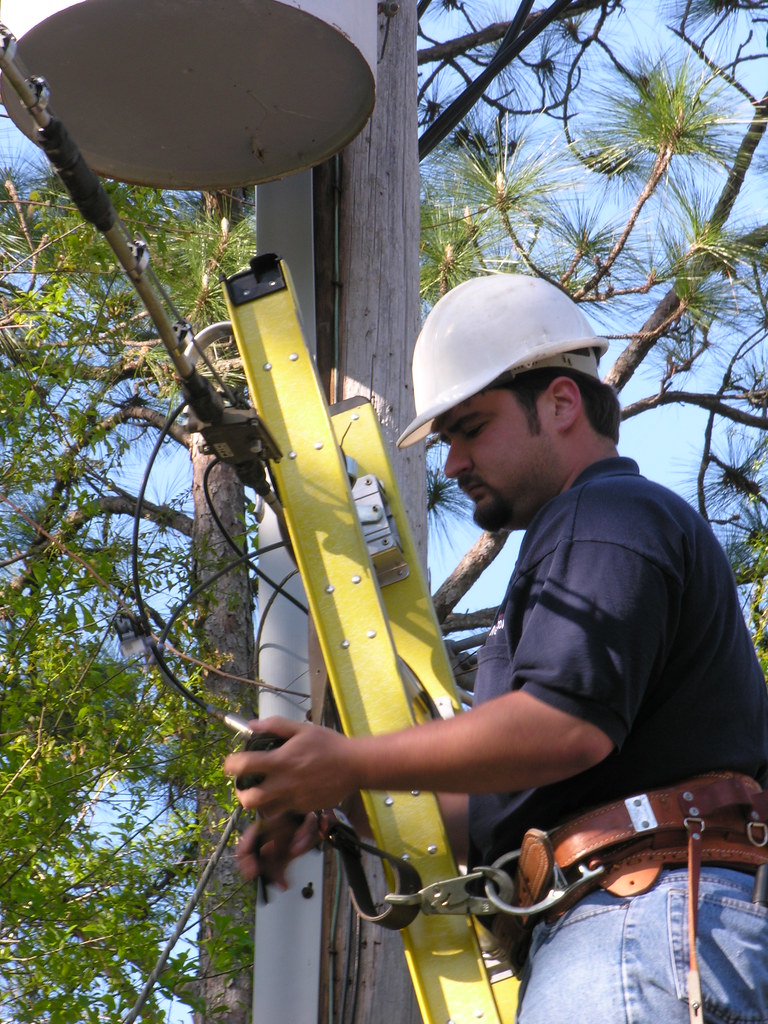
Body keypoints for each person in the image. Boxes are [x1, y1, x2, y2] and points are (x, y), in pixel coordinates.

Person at [225, 274, 768, 1023]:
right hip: (633, 922)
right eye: (446, 439)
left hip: (639, 919)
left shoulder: (604, 512)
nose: (451, 464)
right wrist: (336, 796)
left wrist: (349, 760)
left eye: (471, 428)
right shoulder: (588, 542)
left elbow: (562, 729)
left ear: (561, 403)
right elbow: (496, 803)